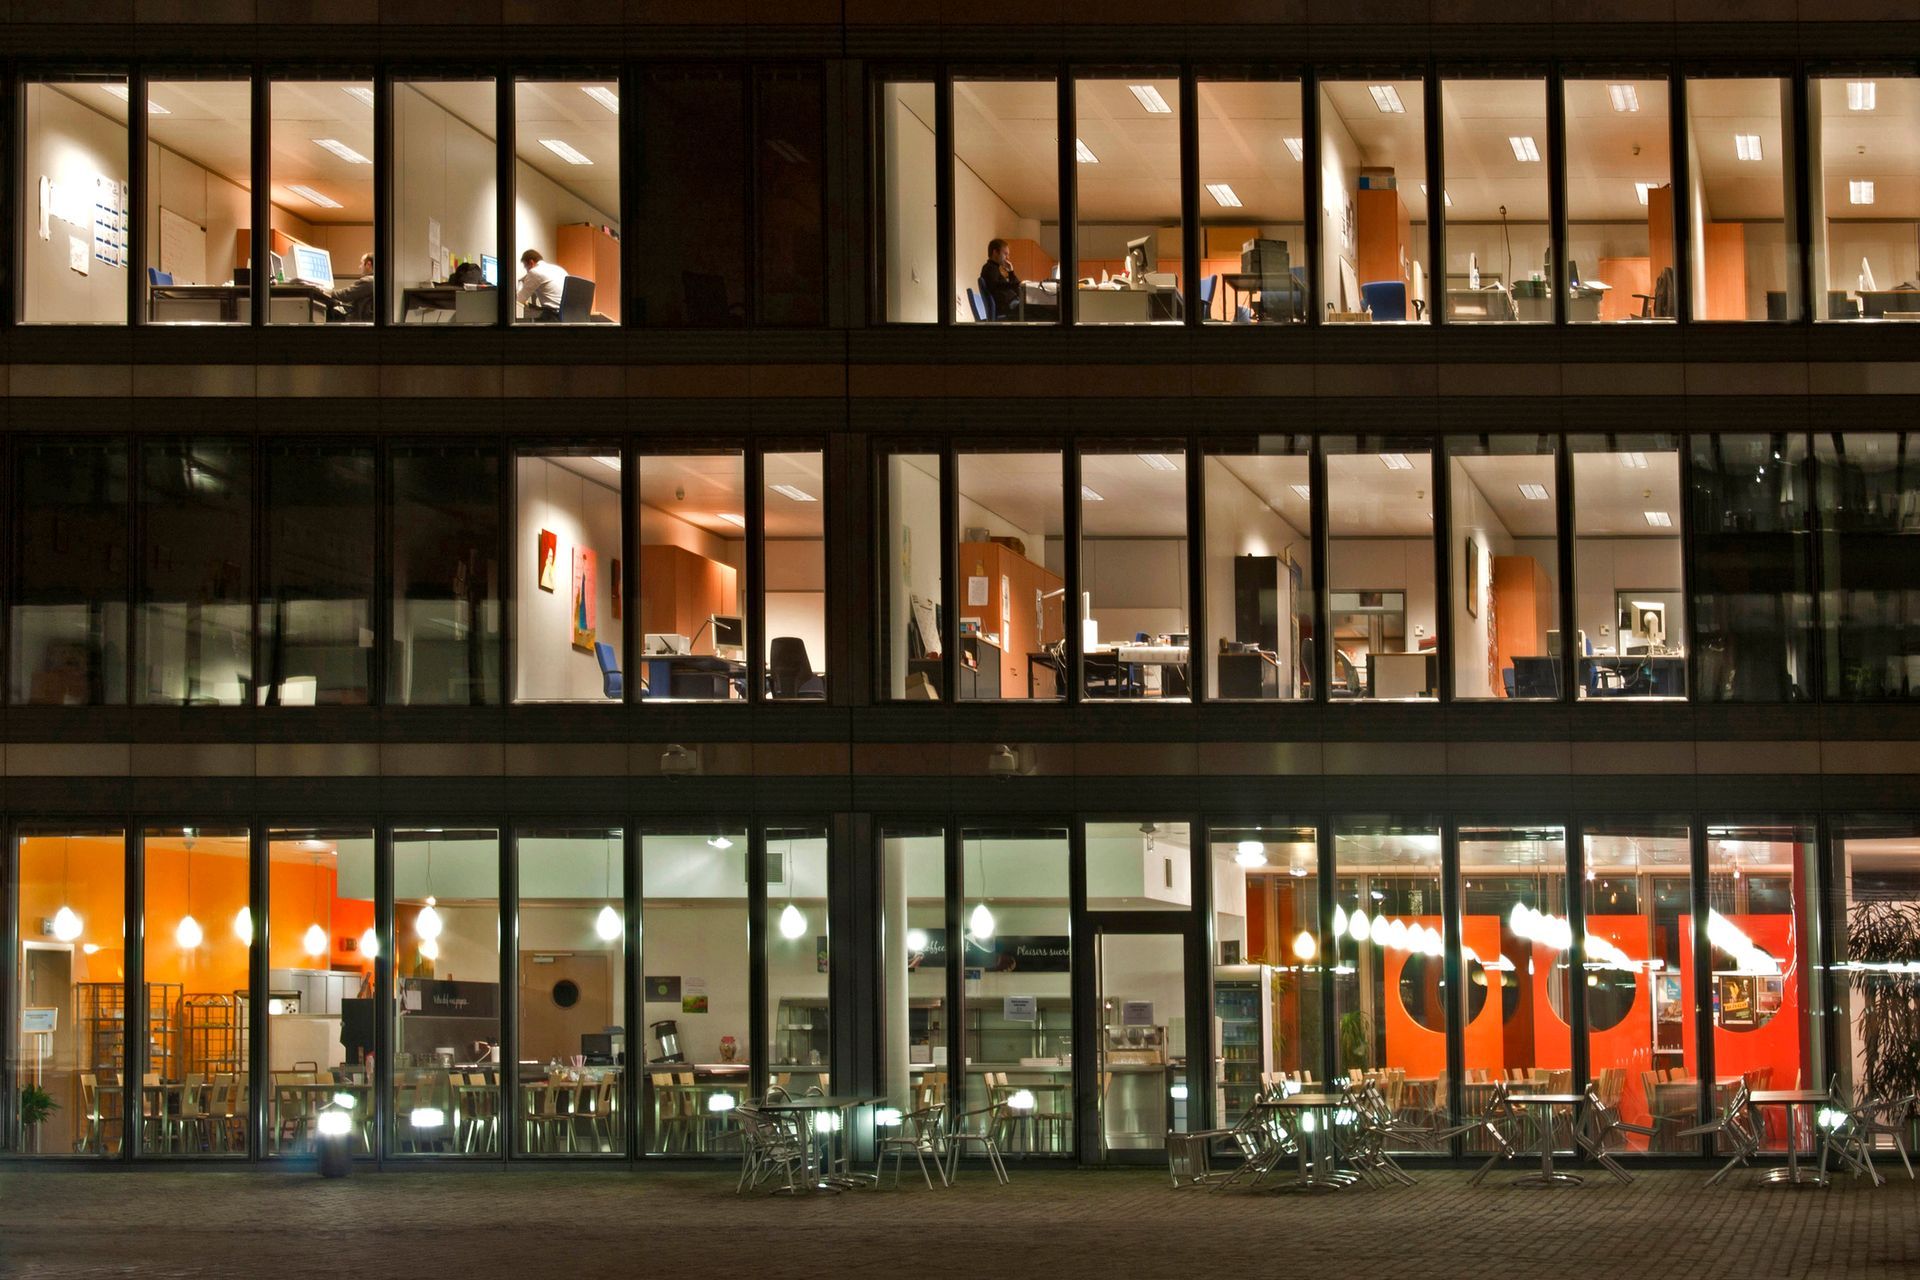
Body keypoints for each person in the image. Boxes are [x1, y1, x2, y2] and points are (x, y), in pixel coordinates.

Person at [517, 249, 568, 321]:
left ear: (531, 263)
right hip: (567, 315)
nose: (527, 271)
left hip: (553, 317)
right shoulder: (558, 269)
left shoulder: (534, 272)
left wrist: (521, 283)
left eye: (525, 267)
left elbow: (519, 300)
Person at [979, 238, 1021, 320]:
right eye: (1005, 254)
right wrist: (1015, 283)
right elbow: (996, 286)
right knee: (1041, 311)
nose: (1007, 258)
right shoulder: (990, 268)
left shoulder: (993, 268)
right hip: (1009, 308)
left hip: (1012, 305)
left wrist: (1011, 272)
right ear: (995, 252)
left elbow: (1015, 288)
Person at [330, 253, 374, 323]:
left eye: (361, 263)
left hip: (359, 323)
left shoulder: (369, 281)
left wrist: (327, 291)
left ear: (368, 264)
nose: (360, 267)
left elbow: (345, 295)